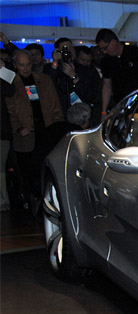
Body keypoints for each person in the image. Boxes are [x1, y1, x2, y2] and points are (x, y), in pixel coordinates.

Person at [5, 49, 64, 210]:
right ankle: (32, 203)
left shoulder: (44, 80)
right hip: (25, 136)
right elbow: (10, 111)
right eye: (21, 65)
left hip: (46, 132)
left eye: (28, 64)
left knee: (47, 171)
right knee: (27, 174)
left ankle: (47, 203)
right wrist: (18, 128)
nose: (25, 68)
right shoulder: (11, 83)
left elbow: (56, 106)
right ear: (15, 65)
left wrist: (58, 127)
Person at [95, 28, 138, 114]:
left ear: (113, 42)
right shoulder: (106, 62)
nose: (104, 52)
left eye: (105, 48)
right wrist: (104, 111)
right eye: (102, 49)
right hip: (122, 105)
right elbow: (107, 86)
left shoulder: (137, 53)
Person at [44, 38, 102, 119]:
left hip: (81, 114)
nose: (69, 51)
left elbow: (91, 94)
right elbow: (46, 86)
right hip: (60, 114)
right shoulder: (51, 68)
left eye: (71, 48)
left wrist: (74, 76)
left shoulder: (85, 70)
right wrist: (55, 62)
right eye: (65, 49)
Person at [1, 57, 15, 211]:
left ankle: (2, 202)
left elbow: (10, 90)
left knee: (0, 169)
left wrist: (3, 69)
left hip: (1, 132)